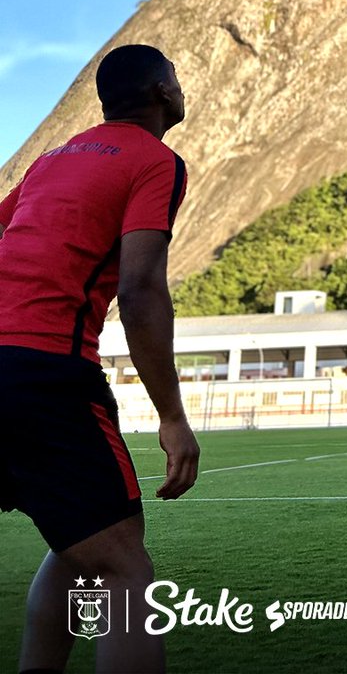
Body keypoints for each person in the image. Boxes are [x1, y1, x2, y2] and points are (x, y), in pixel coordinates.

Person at [0, 44, 199, 674]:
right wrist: (173, 417)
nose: (180, 88)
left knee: (83, 543)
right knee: (123, 568)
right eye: (176, 79)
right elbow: (140, 289)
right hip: (43, 373)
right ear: (162, 92)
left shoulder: (50, 160)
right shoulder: (155, 161)